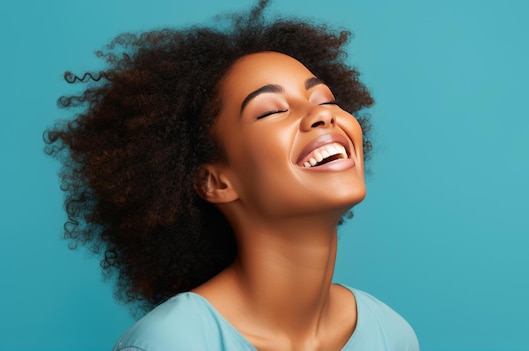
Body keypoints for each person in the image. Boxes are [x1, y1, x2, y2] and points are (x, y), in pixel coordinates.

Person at [45, 1, 419, 350]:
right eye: (271, 111)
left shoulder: (391, 334)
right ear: (217, 182)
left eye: (326, 99)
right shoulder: (173, 342)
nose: (323, 115)